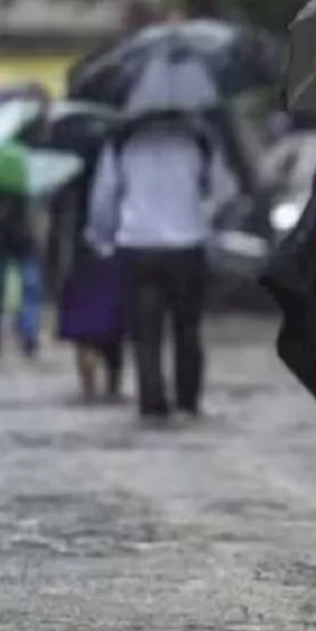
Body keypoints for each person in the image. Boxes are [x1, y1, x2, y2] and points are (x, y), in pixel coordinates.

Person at [86, 58, 220, 423]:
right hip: (188, 245)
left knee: (145, 333)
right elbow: (220, 191)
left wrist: (101, 238)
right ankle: (188, 402)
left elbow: (104, 199)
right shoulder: (198, 139)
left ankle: (153, 403)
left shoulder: (123, 142)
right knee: (188, 329)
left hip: (138, 245)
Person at [51, 124, 125, 402]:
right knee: (113, 330)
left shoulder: (68, 184)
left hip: (81, 259)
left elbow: (58, 231)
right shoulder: (117, 177)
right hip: (112, 255)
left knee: (84, 333)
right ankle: (113, 389)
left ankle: (88, 390)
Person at [0, 140, 45, 359]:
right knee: (30, 290)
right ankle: (29, 335)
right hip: (23, 243)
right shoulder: (24, 184)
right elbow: (32, 218)